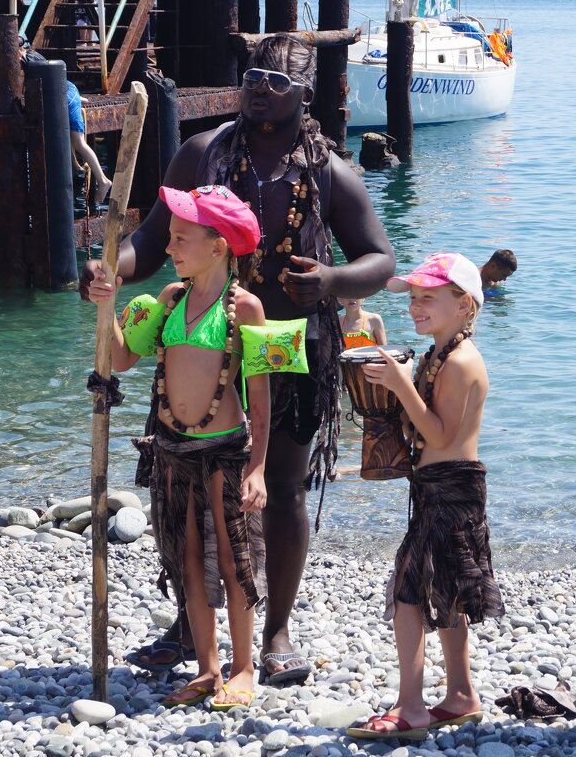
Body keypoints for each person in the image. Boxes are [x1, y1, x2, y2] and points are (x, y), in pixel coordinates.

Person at [81, 34, 396, 685]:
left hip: (290, 342)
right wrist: (113, 267)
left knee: (278, 487)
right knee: (189, 483)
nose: (260, 87)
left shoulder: (328, 170)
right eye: (252, 74)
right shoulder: (202, 153)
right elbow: (147, 239)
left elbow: (380, 258)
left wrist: (333, 284)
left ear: (305, 91)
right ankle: (189, 625)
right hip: (203, 338)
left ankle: (275, 627)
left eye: (277, 79)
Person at [88, 184, 268, 708]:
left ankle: (243, 667)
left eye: (180, 239)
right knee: (187, 559)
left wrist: (257, 467)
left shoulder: (247, 309)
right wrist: (109, 305)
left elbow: (260, 395)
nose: (169, 249)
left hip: (226, 452)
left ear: (218, 247)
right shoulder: (167, 300)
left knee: (234, 560)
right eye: (169, 238)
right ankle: (208, 669)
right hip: (172, 450)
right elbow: (121, 359)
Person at [347, 253, 504, 740]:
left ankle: (411, 707)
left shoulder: (460, 361)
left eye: (428, 298)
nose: (415, 307)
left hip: (451, 487)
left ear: (464, 305)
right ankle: (459, 695)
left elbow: (438, 435)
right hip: (442, 486)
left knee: (408, 594)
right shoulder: (439, 353)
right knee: (447, 592)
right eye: (413, 298)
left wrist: (398, 385)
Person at [19, 47, 112, 205]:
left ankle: (103, 181)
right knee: (77, 139)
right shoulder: (31, 54)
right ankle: (80, 99)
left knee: (79, 143)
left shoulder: (29, 66)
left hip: (64, 96)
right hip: (70, 88)